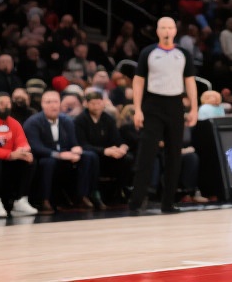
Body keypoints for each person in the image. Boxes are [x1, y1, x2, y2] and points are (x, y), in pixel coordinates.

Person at [127, 16, 198, 214]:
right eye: (163, 27)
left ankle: (168, 203)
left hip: (175, 104)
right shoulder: (148, 52)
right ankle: (136, 201)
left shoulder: (183, 54)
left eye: (170, 27)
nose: (167, 31)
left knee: (174, 155)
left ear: (175, 30)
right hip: (152, 105)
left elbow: (190, 81)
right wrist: (137, 109)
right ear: (157, 31)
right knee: (146, 154)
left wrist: (194, 108)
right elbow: (138, 81)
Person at [22, 89, 99, 213]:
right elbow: (35, 147)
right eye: (48, 102)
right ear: (42, 104)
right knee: (49, 162)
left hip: (64, 155)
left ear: (60, 104)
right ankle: (44, 200)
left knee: (89, 156)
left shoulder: (67, 120)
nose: (53, 105)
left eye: (55, 102)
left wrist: (76, 149)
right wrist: (58, 155)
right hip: (43, 156)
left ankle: (82, 196)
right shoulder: (33, 122)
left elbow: (73, 143)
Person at [0, 92, 39, 218]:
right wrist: (10, 155)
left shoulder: (14, 123)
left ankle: (20, 201)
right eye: (1, 103)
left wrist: (23, 151)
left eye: (8, 103)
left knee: (29, 160)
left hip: (9, 161)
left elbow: (22, 142)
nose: (5, 106)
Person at [74, 88, 132, 207]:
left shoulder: (108, 119)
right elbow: (82, 144)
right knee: (93, 157)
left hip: (108, 154)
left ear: (103, 103)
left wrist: (122, 147)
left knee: (127, 158)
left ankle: (121, 190)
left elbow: (117, 139)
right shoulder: (80, 120)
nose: (96, 106)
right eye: (93, 103)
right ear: (86, 104)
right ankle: (93, 193)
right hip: (92, 155)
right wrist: (104, 151)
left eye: (98, 103)